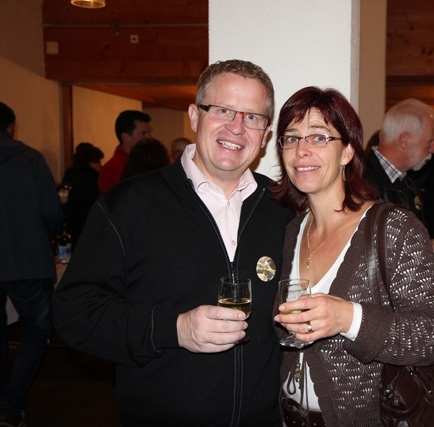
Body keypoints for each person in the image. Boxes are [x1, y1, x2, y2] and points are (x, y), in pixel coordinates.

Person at [53, 60, 294, 426]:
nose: (237, 127)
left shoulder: (283, 209)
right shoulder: (128, 205)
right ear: (195, 116)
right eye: (223, 110)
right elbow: (74, 313)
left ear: (265, 134)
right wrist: (174, 329)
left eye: (252, 117)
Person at [271, 87, 434, 426]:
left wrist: (349, 318)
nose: (301, 150)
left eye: (319, 137)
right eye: (291, 138)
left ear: (347, 151)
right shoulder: (293, 231)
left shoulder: (393, 227)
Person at [0, 101, 63, 426]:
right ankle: (11, 402)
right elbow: (51, 212)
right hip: (27, 258)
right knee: (36, 331)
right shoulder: (30, 159)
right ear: (11, 126)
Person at [364, 98, 434, 227]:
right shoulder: (359, 181)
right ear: (405, 140)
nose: (433, 149)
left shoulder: (409, 183)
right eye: (429, 141)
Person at [60, 142, 104, 248]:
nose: (101, 165)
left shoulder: (71, 174)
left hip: (72, 224)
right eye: (98, 162)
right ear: (91, 163)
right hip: (91, 226)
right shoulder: (95, 179)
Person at [97, 110, 151, 193]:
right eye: (143, 133)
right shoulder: (115, 168)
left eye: (148, 132)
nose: (148, 137)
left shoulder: (140, 161)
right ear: (126, 137)